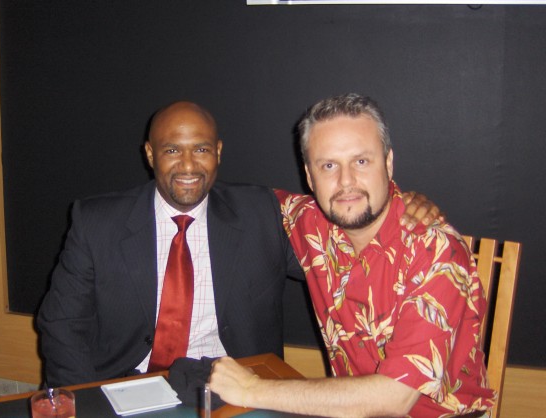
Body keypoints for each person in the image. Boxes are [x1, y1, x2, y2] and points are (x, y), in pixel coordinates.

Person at [37, 100, 441, 387]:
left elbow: (344, 241)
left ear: (218, 152)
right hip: (130, 383)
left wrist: (398, 207)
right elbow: (61, 325)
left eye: (201, 149)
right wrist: (82, 402)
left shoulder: (262, 213)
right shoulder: (97, 223)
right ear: (150, 154)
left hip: (239, 385)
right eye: (172, 150)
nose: (188, 165)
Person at [209, 94, 494, 417]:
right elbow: (242, 200)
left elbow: (393, 398)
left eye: (361, 162)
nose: (346, 182)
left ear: (388, 163)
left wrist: (251, 389)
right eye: (329, 166)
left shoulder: (436, 251)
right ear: (309, 176)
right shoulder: (312, 224)